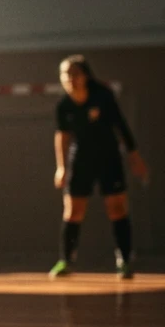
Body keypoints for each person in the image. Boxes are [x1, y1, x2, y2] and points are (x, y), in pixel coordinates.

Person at [50, 55, 148, 279]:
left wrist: (134, 156)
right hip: (81, 160)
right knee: (73, 211)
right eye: (65, 75)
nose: (70, 79)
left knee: (117, 208)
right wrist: (61, 167)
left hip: (108, 158)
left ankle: (124, 260)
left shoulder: (103, 97)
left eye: (74, 74)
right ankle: (66, 260)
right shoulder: (64, 106)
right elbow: (62, 137)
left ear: (85, 76)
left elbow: (120, 126)